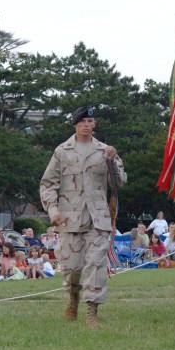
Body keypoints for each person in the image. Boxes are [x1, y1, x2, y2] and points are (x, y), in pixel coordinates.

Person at [40, 105, 127, 326]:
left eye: (91, 121)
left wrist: (113, 162)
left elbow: (120, 182)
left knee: (95, 265)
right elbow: (48, 184)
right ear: (75, 124)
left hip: (98, 218)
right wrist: (53, 211)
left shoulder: (105, 150)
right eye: (83, 122)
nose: (87, 125)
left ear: (94, 124)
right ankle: (73, 297)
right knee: (72, 268)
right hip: (69, 219)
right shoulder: (62, 151)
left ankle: (91, 312)